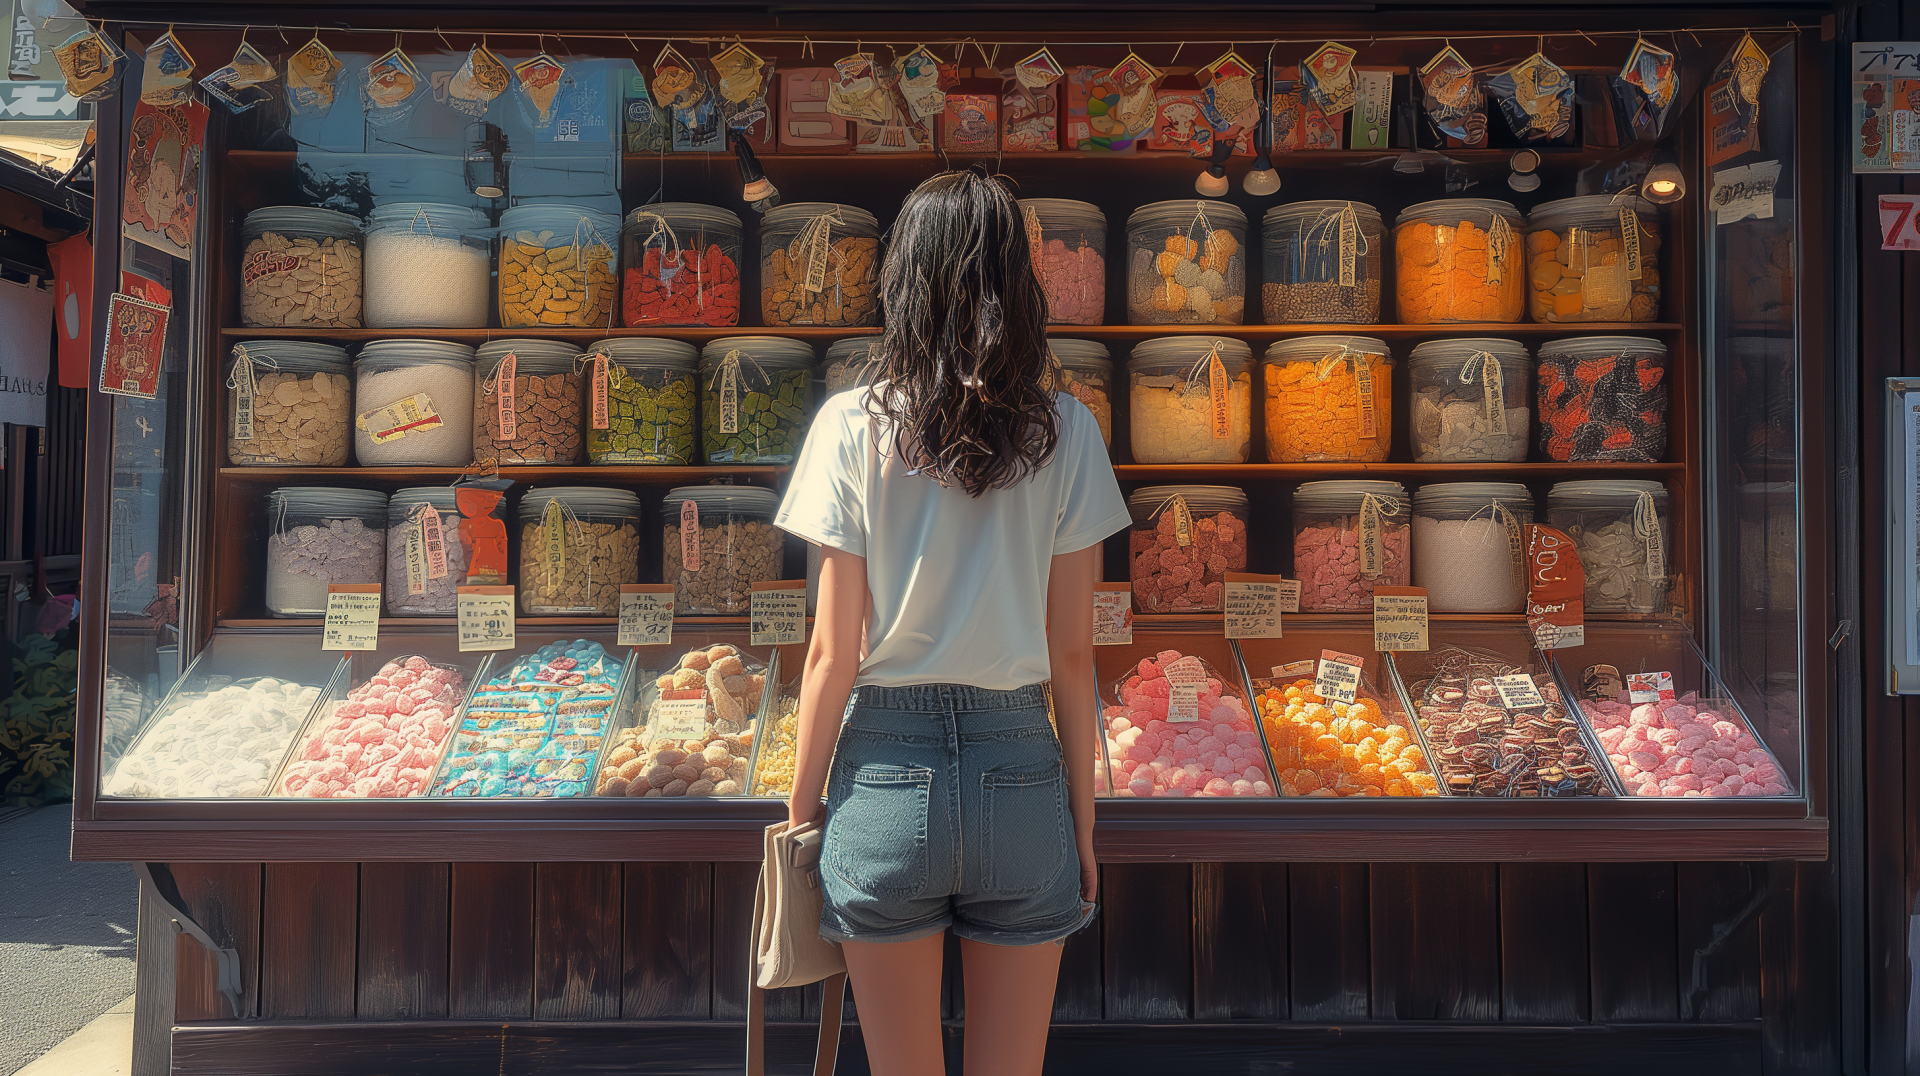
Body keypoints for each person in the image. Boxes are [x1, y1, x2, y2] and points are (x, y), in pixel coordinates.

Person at [776, 169, 1129, 1076]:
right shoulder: (1068, 431)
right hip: (1022, 773)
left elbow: (830, 654)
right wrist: (1084, 827)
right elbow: (1074, 655)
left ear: (905, 279)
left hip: (885, 780)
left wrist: (799, 819)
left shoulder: (849, 425)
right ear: (1020, 283)